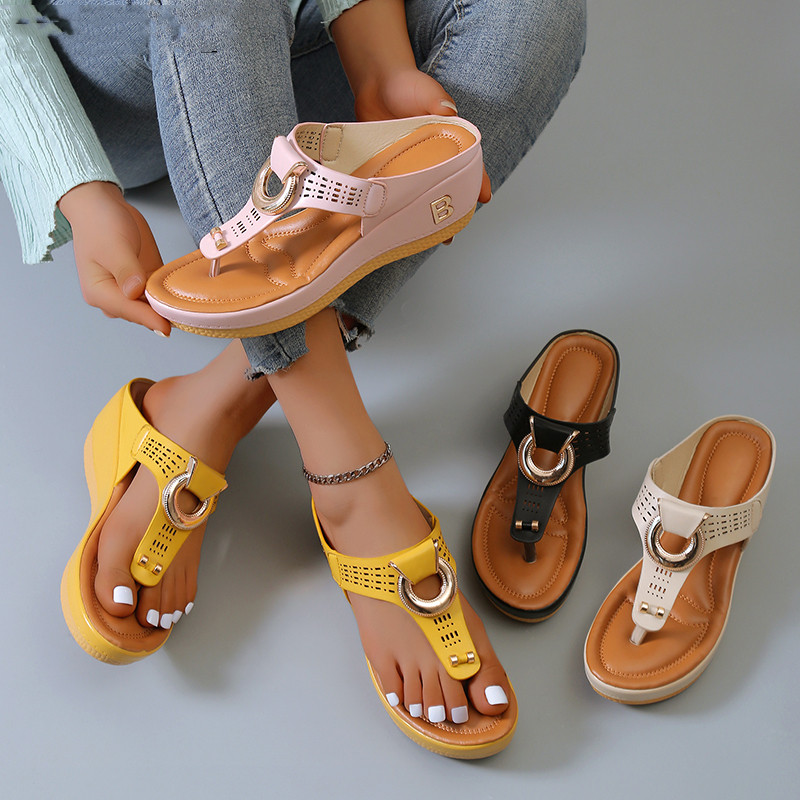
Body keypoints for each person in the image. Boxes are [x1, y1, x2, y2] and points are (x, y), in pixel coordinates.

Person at [1, 0, 586, 751]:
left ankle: (219, 398)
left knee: (538, 12)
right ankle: (351, 479)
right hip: (126, 60)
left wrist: (377, 58)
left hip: (309, 42)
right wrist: (80, 190)